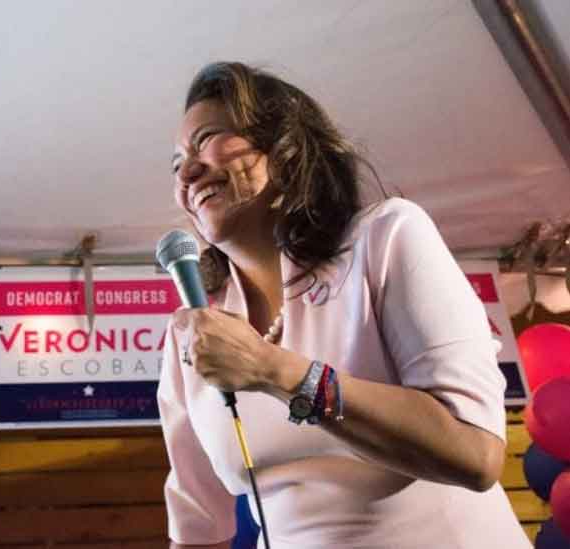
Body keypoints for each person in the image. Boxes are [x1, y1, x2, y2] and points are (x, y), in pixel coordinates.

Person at [158, 61, 530, 548]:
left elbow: (475, 454)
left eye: (206, 139)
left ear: (286, 149)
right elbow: (199, 524)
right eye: (176, 162)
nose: (187, 171)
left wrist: (278, 372)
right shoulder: (193, 333)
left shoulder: (385, 237)